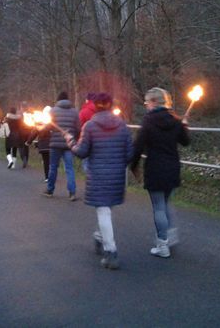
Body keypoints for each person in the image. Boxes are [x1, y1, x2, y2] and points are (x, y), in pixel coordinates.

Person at [65, 92, 132, 269]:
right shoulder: (122, 125)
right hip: (116, 174)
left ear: (95, 105)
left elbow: (82, 152)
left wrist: (71, 142)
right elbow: (130, 154)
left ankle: (111, 251)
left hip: (99, 174)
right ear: (111, 104)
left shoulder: (90, 126)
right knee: (106, 209)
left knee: (103, 210)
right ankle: (99, 237)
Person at [130, 87, 191, 258]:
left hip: (155, 168)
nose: (146, 105)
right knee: (165, 203)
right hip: (172, 167)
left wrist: (133, 165)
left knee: (158, 207)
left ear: (154, 102)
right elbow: (185, 142)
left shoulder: (148, 122)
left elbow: (138, 146)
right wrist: (184, 127)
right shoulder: (175, 120)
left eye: (147, 102)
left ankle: (162, 244)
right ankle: (171, 237)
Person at [44, 91, 80, 200]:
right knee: (69, 168)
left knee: (53, 167)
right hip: (69, 144)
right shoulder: (74, 112)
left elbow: (48, 127)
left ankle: (50, 190)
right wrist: (75, 138)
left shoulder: (52, 111)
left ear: (58, 100)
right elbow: (78, 128)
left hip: (55, 144)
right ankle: (72, 192)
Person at [26, 113, 51, 181]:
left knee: (46, 161)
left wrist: (28, 142)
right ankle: (52, 175)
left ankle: (47, 177)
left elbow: (33, 135)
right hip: (51, 146)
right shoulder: (50, 125)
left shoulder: (38, 126)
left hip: (43, 146)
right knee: (51, 161)